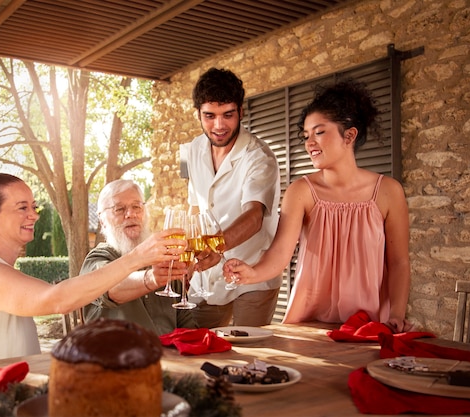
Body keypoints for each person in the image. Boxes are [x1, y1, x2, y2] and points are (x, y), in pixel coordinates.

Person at [0, 173, 185, 363]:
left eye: (33, 206)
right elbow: (58, 300)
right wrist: (138, 257)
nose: (34, 215)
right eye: (22, 208)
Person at [225, 78, 413, 333]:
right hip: (310, 325)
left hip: (369, 325)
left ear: (350, 135)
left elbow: (399, 262)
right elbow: (280, 254)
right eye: (306, 136)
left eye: (319, 132)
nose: (309, 143)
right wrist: (251, 274)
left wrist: (397, 315)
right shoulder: (301, 192)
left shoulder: (389, 192)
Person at [186, 67, 282, 329]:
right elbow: (195, 207)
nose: (219, 125)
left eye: (228, 114)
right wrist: (190, 257)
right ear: (199, 115)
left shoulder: (259, 157)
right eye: (210, 116)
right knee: (195, 349)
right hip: (206, 277)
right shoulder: (193, 150)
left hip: (252, 275)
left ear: (241, 111)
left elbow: (253, 217)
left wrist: (214, 246)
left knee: (248, 359)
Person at [80, 179, 196, 335]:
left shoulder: (163, 259)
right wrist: (151, 278)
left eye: (136, 207)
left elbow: (186, 323)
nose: (131, 214)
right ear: (102, 220)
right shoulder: (98, 258)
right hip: (116, 356)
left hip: (170, 356)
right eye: (119, 209)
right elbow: (108, 287)